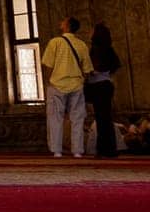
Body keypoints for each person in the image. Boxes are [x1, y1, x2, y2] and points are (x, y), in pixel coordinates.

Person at [41, 17, 91, 158]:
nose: (60, 23)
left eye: (63, 21)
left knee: (55, 118)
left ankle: (57, 150)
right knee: (77, 118)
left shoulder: (55, 42)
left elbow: (48, 65)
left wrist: (49, 82)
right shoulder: (82, 45)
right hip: (76, 84)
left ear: (67, 26)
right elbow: (87, 69)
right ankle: (77, 151)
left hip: (57, 84)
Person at [86, 23, 122, 159]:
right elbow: (116, 65)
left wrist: (93, 71)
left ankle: (103, 150)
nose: (90, 32)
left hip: (98, 86)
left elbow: (92, 67)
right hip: (106, 85)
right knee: (106, 118)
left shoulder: (95, 49)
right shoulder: (109, 49)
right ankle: (110, 149)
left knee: (101, 119)